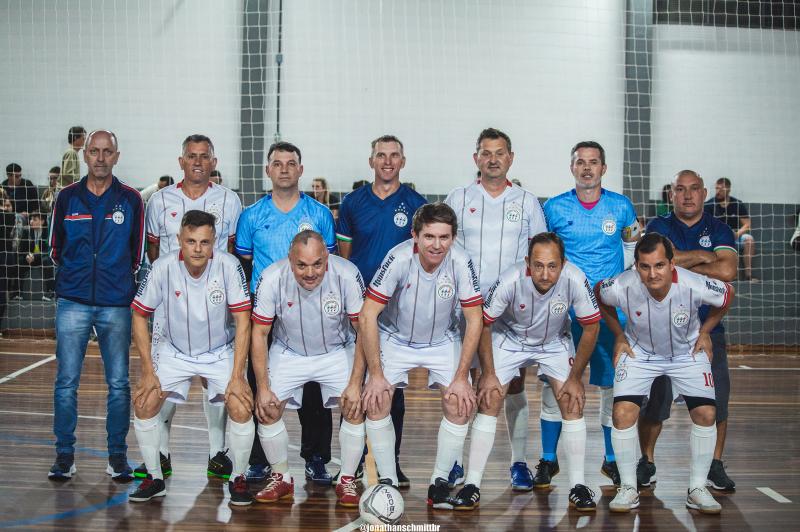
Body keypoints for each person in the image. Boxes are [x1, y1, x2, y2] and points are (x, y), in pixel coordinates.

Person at [451, 232, 600, 510]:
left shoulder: (576, 279)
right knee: (490, 397)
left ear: (563, 263)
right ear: (527, 262)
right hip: (510, 339)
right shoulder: (510, 279)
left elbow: (591, 326)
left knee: (572, 401)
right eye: (538, 265)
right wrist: (489, 373)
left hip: (554, 341)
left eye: (552, 266)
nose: (545, 273)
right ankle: (472, 483)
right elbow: (484, 322)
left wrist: (576, 378)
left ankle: (578, 485)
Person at [597, 232, 734, 514]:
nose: (652, 274)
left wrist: (706, 331)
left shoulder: (693, 283)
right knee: (622, 413)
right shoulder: (622, 285)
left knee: (706, 414)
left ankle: (697, 488)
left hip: (686, 354)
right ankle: (627, 488)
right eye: (645, 267)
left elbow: (727, 295)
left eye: (659, 265)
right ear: (636, 266)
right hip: (640, 354)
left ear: (672, 264)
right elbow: (600, 293)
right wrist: (619, 335)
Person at [358, 202, 482, 508]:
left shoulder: (461, 260)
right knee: (376, 399)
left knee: (460, 402)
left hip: (442, 339)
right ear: (415, 235)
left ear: (453, 237)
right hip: (396, 338)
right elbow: (367, 315)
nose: (436, 245)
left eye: (444, 237)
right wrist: (375, 375)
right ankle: (387, 481)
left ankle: (440, 481)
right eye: (429, 237)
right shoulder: (398, 258)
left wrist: (461, 378)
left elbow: (475, 319)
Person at [128, 210, 255, 505]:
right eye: (191, 241)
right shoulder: (161, 267)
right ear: (179, 240)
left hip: (218, 351)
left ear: (215, 242)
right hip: (174, 350)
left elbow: (243, 320)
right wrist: (148, 371)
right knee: (145, 403)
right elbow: (138, 316)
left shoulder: (229, 265)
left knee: (241, 406)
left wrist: (237, 376)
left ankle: (238, 478)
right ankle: (155, 478)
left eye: (205, 242)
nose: (198, 248)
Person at [444, 127, 547, 491]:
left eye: (499, 152)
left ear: (510, 158)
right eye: (485, 153)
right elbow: (447, 252)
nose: (492, 159)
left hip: (512, 311)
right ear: (476, 159)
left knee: (513, 384)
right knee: (468, 384)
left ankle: (518, 462)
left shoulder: (528, 202)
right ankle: (456, 461)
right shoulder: (458, 198)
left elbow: (539, 257)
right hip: (467, 310)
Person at [138, 135, 242, 482]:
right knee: (164, 382)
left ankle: (217, 455)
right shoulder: (160, 201)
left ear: (214, 162)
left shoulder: (229, 200)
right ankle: (160, 455)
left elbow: (229, 250)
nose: (198, 162)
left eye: (204, 157)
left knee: (217, 385)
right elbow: (154, 252)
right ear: (181, 161)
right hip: (171, 306)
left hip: (214, 302)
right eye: (191, 156)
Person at [235, 141, 336, 484]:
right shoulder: (251, 216)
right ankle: (260, 458)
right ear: (268, 170)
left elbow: (329, 260)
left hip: (312, 307)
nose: (283, 169)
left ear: (300, 169)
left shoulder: (319, 214)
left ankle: (317, 458)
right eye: (277, 163)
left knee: (313, 385)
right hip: (265, 310)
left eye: (290, 163)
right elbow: (245, 259)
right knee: (260, 382)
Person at [542, 141, 640, 488]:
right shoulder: (554, 208)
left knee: (612, 385)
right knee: (555, 381)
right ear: (572, 168)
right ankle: (548, 459)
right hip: (562, 310)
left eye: (593, 162)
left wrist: (618, 282)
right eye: (580, 162)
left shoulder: (621, 207)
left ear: (604, 168)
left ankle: (611, 459)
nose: (587, 168)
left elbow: (631, 245)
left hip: (610, 311)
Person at [48, 129, 145, 481]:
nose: (101, 158)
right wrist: (75, 276)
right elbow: (54, 248)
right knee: (66, 382)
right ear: (85, 155)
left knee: (119, 383)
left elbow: (137, 254)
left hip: (116, 304)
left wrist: (116, 280)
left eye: (107, 152)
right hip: (72, 300)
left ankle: (117, 456)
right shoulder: (66, 198)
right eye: (94, 151)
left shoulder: (132, 199)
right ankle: (64, 456)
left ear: (116, 157)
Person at [637, 170, 738, 491]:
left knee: (717, 400)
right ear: (672, 195)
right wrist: (699, 256)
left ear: (704, 192)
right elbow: (656, 264)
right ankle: (647, 461)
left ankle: (715, 464)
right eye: (680, 189)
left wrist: (677, 263)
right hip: (661, 331)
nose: (688, 195)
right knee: (656, 402)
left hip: (707, 330)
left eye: (694, 189)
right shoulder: (659, 226)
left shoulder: (720, 228)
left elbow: (727, 270)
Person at [336, 134, 427, 487]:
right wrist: (353, 299)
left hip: (397, 308)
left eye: (394, 156)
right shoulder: (352, 203)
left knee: (392, 385)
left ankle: (392, 462)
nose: (387, 161)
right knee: (354, 382)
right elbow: (344, 257)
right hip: (360, 306)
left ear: (403, 161)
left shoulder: (417, 204)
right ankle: (353, 463)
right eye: (381, 156)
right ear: (371, 161)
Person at [250, 230, 366, 507]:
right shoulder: (272, 277)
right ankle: (282, 478)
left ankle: (347, 479)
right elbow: (259, 333)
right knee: (267, 408)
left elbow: (364, 330)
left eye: (317, 264)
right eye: (301, 265)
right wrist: (263, 388)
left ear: (328, 257)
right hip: (288, 351)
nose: (310, 272)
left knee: (353, 406)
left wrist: (356, 382)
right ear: (290, 260)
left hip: (336, 351)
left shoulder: (347, 274)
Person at [705, 177, 757, 281]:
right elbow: (705, 225)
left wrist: (737, 234)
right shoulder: (709, 205)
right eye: (716, 188)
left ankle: (748, 275)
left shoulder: (737, 204)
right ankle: (727, 274)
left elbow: (747, 224)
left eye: (721, 189)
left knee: (749, 240)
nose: (718, 191)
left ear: (728, 189)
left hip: (735, 236)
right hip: (717, 238)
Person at [17, 211, 54, 300]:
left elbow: (48, 250)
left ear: (42, 221)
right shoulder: (26, 231)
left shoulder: (47, 232)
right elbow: (21, 249)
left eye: (34, 219)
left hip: (40, 257)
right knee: (19, 261)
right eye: (30, 219)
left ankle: (50, 291)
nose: (31, 222)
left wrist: (35, 256)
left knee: (47, 261)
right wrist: (27, 255)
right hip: (29, 257)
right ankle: (19, 292)